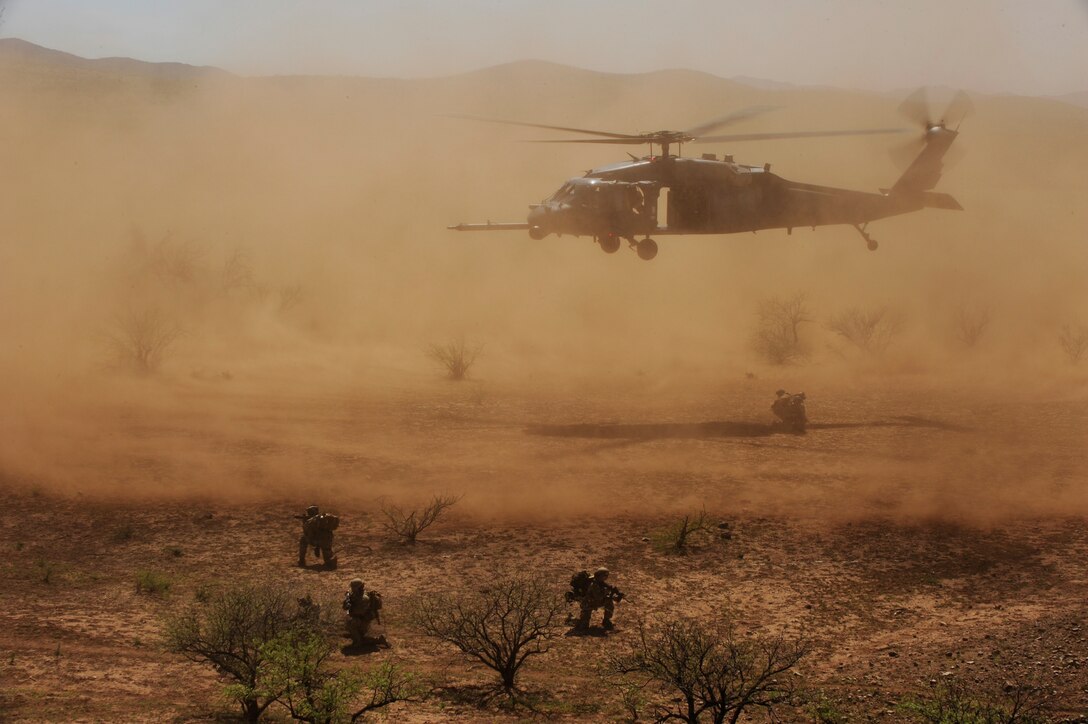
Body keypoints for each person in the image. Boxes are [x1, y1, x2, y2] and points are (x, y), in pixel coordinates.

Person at [574, 567, 623, 632]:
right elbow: (598, 597)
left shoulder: (600, 582)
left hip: (594, 601)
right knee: (583, 626)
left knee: (609, 602)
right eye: (605, 575)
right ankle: (575, 621)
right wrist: (610, 594)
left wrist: (614, 595)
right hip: (588, 604)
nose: (606, 577)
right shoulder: (594, 584)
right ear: (600, 575)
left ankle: (606, 620)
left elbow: (602, 596)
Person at [342, 578, 385, 647]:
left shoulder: (364, 598)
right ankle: (378, 640)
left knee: (351, 623)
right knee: (357, 635)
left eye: (353, 587)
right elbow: (345, 608)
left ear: (358, 587)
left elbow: (359, 612)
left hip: (363, 620)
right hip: (361, 619)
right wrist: (347, 601)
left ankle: (359, 641)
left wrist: (351, 606)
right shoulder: (356, 595)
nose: (352, 589)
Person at [297, 505, 338, 569]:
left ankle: (301, 560)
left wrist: (316, 546)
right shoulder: (322, 519)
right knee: (327, 552)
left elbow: (308, 534)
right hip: (326, 541)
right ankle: (330, 562)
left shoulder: (309, 521)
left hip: (315, 540)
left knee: (303, 540)